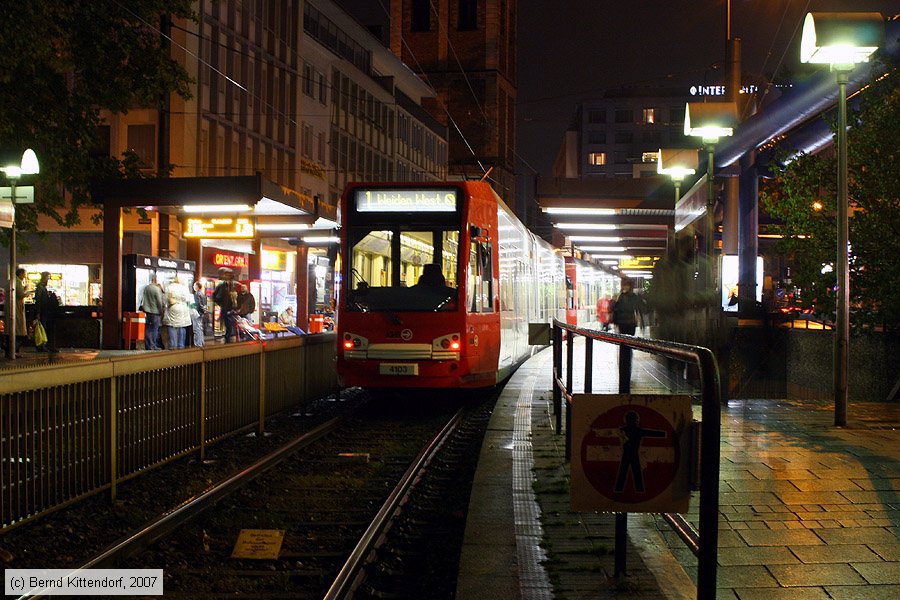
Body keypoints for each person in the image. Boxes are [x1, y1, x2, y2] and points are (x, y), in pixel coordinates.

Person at [611, 277, 648, 393]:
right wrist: (615, 322)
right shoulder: (619, 297)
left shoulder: (633, 297)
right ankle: (624, 366)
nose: (624, 287)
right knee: (624, 347)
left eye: (626, 284)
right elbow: (615, 310)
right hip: (622, 324)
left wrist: (642, 322)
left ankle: (626, 365)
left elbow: (640, 309)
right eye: (623, 284)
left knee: (628, 346)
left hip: (630, 324)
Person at [162, 276, 191, 349]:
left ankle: (173, 345)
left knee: (172, 325)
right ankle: (181, 345)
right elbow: (188, 299)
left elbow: (165, 299)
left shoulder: (169, 287)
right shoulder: (184, 288)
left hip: (173, 307)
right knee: (182, 326)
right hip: (183, 307)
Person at [34, 271, 59, 353]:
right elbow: (38, 301)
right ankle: (41, 345)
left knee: (43, 328)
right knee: (42, 328)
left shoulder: (42, 287)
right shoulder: (40, 288)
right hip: (42, 312)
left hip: (44, 311)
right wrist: (38, 313)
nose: (48, 280)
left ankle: (42, 345)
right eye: (47, 278)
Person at [140, 277, 166, 350]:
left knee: (147, 329)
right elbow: (159, 302)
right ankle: (153, 345)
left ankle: (147, 345)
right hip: (155, 312)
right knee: (155, 329)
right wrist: (161, 311)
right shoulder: (157, 289)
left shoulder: (146, 288)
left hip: (147, 311)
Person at [212, 268, 237, 343]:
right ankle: (227, 339)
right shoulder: (222, 286)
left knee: (231, 325)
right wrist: (222, 304)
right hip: (226, 309)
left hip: (232, 309)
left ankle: (228, 338)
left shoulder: (232, 285)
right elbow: (215, 296)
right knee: (228, 325)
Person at [14, 268, 34, 351]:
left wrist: (25, 288)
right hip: (17, 309)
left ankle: (15, 349)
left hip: (18, 308)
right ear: (21, 274)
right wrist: (29, 292)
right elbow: (21, 294)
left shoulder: (17, 282)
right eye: (25, 274)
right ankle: (15, 349)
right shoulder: (17, 282)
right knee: (19, 331)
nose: (25, 276)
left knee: (19, 330)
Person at [191, 281, 207, 347]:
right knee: (200, 328)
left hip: (197, 313)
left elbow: (198, 304)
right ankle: (201, 342)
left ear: (197, 286)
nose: (193, 287)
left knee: (196, 329)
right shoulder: (202, 293)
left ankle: (198, 343)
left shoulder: (197, 294)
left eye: (194, 285)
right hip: (201, 313)